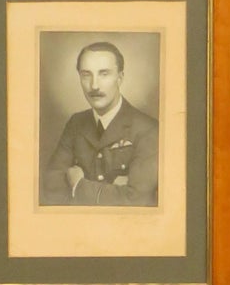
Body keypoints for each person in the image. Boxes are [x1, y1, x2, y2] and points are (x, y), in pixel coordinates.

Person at [41, 41, 159, 206]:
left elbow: (136, 200)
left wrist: (78, 186)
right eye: (86, 75)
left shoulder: (148, 129)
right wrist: (113, 192)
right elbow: (50, 188)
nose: (94, 85)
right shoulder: (76, 123)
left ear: (120, 78)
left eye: (104, 74)